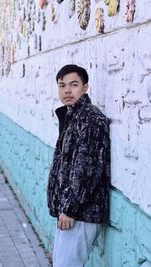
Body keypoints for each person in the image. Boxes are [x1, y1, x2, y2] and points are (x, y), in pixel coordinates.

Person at [47, 64, 110, 267]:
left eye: (74, 84)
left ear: (85, 87)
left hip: (80, 213)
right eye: (62, 85)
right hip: (71, 210)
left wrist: (71, 209)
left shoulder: (90, 119)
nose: (67, 90)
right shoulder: (73, 117)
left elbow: (87, 169)